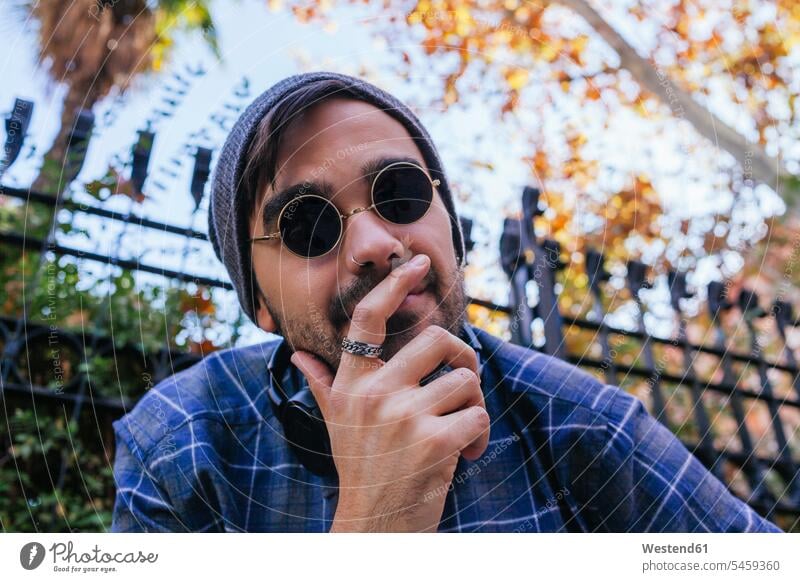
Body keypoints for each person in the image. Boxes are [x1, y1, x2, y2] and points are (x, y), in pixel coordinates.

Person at [110, 71, 781, 533]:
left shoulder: (585, 426)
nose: (374, 244)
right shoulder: (182, 447)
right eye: (307, 225)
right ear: (260, 303)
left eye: (399, 193)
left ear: (451, 229)